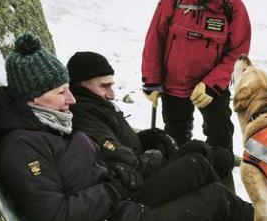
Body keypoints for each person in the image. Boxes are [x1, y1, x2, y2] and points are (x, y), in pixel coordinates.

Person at [0, 32, 254, 221]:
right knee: (215, 200)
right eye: (61, 92)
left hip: (121, 210)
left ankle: (249, 216)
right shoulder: (21, 147)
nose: (72, 99)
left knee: (194, 167)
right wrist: (112, 187)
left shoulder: (52, 124)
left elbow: (84, 170)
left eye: (69, 89)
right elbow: (56, 218)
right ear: (33, 98)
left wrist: (116, 171)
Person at [141, 0, 251, 187]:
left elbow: (239, 53)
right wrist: (151, 80)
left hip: (212, 89)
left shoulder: (234, 8)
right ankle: (180, 190)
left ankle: (223, 194)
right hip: (174, 85)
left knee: (221, 140)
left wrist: (212, 85)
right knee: (176, 140)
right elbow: (155, 38)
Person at [66, 50, 235, 205]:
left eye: (111, 85)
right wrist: (154, 157)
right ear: (80, 84)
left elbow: (122, 140)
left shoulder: (96, 104)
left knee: (206, 151)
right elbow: (118, 157)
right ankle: (223, 207)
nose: (112, 94)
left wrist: (150, 138)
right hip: (139, 183)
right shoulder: (84, 114)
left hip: (145, 168)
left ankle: (223, 204)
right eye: (104, 86)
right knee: (198, 161)